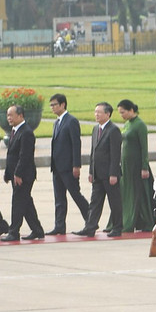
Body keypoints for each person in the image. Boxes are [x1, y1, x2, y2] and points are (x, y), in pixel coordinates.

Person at [76, 102, 123, 237]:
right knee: (95, 202)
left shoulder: (113, 130)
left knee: (114, 202)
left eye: (99, 112)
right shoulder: (96, 129)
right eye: (95, 112)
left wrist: (113, 173)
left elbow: (115, 154)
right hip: (97, 173)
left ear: (107, 114)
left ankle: (117, 227)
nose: (96, 114)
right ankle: (90, 227)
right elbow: (93, 152)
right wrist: (91, 171)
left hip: (109, 174)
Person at [0, 105, 46, 241]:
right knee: (26, 203)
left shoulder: (26, 132)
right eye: (7, 115)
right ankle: (37, 230)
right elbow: (12, 155)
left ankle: (14, 232)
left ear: (20, 116)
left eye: (11, 115)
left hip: (24, 175)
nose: (8, 118)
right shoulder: (15, 131)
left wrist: (18, 174)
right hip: (16, 174)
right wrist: (8, 173)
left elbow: (25, 156)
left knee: (18, 202)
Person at [48, 93, 89, 235]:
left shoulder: (71, 121)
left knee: (76, 195)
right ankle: (59, 226)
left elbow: (76, 144)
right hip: (57, 167)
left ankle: (90, 222)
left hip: (68, 167)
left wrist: (76, 165)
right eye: (51, 105)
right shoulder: (56, 122)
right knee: (59, 199)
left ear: (63, 105)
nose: (52, 107)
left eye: (54, 104)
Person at [117, 99, 156, 233]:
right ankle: (128, 219)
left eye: (123, 112)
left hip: (137, 166)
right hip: (126, 166)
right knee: (127, 193)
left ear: (131, 110)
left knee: (140, 194)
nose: (121, 115)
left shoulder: (140, 125)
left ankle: (145, 221)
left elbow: (144, 148)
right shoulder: (127, 124)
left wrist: (144, 167)